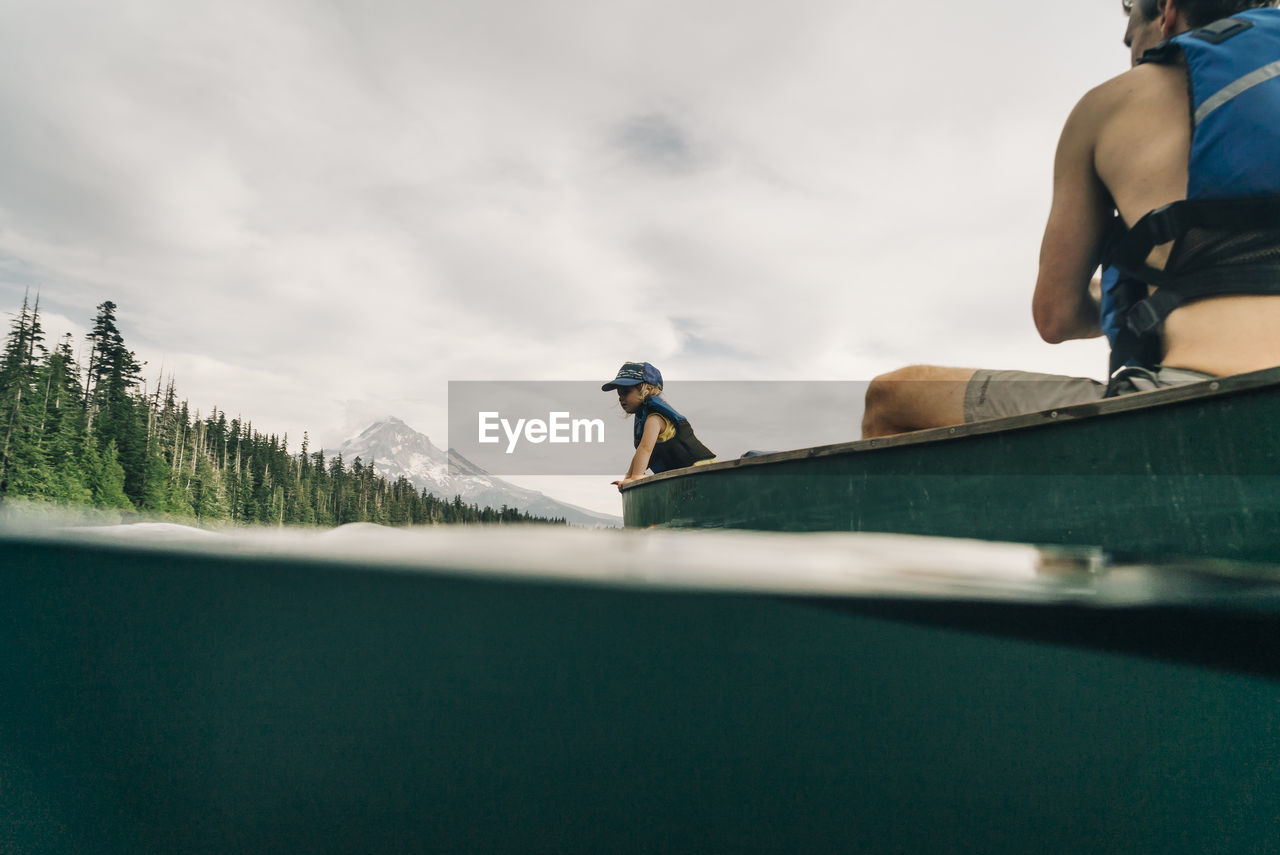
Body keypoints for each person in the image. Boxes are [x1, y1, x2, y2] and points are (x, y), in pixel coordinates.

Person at [862, 0, 1280, 438]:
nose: (1131, 55)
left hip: (1196, 405)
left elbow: (1055, 317)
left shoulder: (1112, 103)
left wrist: (1131, 300)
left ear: (1167, 12)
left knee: (891, 397)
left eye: (1130, 39)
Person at [602, 361, 715, 490]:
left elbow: (645, 449)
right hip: (688, 477)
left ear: (647, 390)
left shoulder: (655, 419)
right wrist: (627, 478)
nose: (621, 398)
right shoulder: (645, 418)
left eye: (626, 392)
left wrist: (636, 477)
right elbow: (640, 451)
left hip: (702, 470)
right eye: (619, 394)